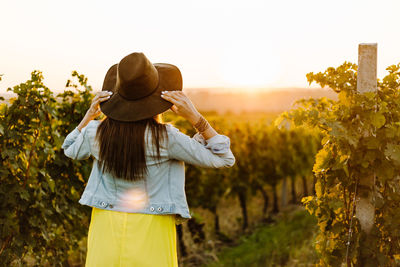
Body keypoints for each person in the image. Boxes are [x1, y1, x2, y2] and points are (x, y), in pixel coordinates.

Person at [61, 52, 235, 267]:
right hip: (152, 226)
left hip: (106, 224)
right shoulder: (166, 137)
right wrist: (196, 118)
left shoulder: (95, 132)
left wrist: (88, 116)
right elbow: (224, 158)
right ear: (156, 99)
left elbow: (69, 149)